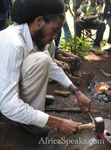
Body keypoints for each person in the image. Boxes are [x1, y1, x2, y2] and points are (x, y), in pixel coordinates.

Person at [0, 0, 91, 136]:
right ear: (39, 21)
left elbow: (52, 66)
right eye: (54, 30)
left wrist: (76, 91)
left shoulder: (32, 35)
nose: (55, 36)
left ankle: (31, 103)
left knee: (48, 50)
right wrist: (59, 122)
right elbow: (7, 105)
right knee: (40, 60)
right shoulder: (12, 43)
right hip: (4, 97)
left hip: (7, 86)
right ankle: (25, 120)